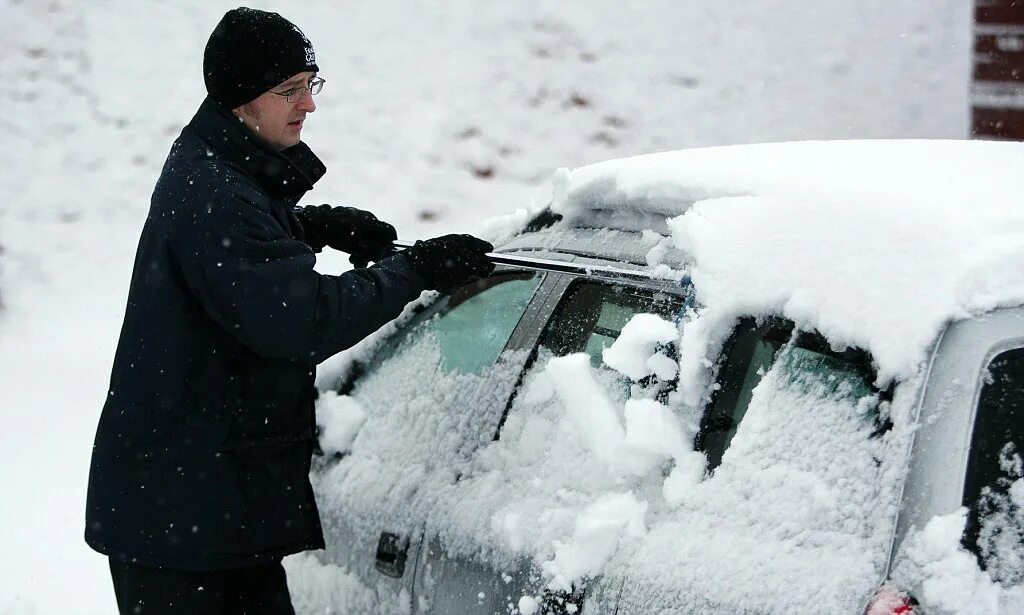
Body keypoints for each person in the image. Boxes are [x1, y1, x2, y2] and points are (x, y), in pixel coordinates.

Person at [84, 7, 494, 614]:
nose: (308, 105)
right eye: (289, 91)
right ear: (240, 99)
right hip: (184, 522)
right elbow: (302, 321)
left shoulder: (218, 170)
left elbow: (229, 266)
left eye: (311, 85)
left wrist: (308, 227)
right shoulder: (218, 192)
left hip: (199, 506)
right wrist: (417, 269)